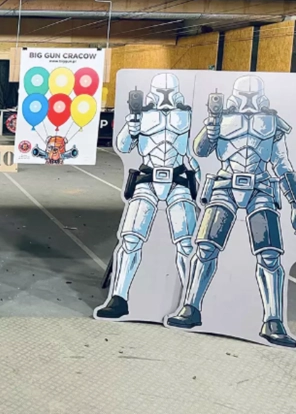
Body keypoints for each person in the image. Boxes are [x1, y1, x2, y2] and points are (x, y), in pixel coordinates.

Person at [166, 75, 296, 347]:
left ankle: (273, 320)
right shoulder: (221, 119)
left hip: (260, 186)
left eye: (252, 96)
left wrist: (295, 202)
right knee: (205, 248)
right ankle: (190, 307)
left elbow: (282, 164)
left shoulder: (272, 123)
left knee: (270, 254)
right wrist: (212, 126)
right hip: (225, 183)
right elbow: (200, 150)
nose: (248, 102)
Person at [96, 73, 199, 319]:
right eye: (161, 91)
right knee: (130, 239)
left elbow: (194, 153)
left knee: (187, 242)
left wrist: (202, 184)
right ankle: (119, 297)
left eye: (169, 91)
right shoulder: (140, 115)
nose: (165, 97)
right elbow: (122, 146)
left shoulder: (188, 116)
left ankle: (190, 303)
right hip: (147, 177)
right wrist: (131, 128)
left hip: (178, 178)